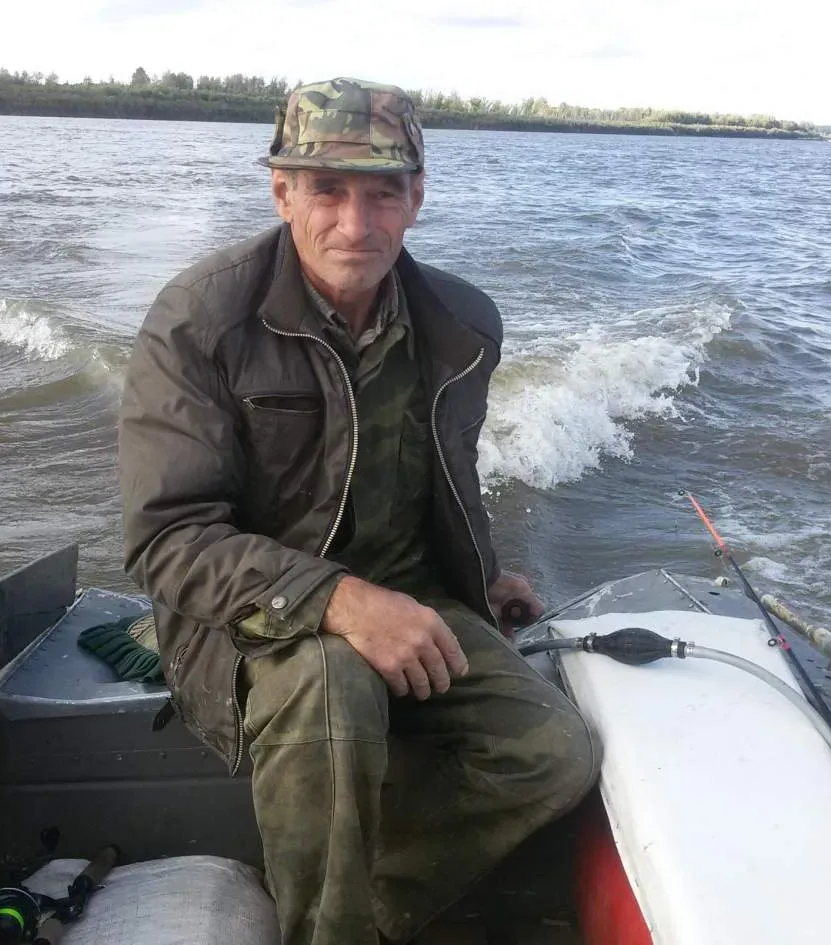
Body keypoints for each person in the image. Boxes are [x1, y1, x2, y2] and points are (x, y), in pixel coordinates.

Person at [118, 78, 599, 945]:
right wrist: (342, 601)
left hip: (415, 593)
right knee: (334, 689)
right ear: (282, 192)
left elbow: (444, 477)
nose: (356, 223)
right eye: (327, 190)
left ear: (417, 197)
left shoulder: (462, 324)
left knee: (554, 750)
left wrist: (484, 577)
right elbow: (168, 537)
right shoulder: (200, 321)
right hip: (248, 621)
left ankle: (365, 912)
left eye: (383, 193)